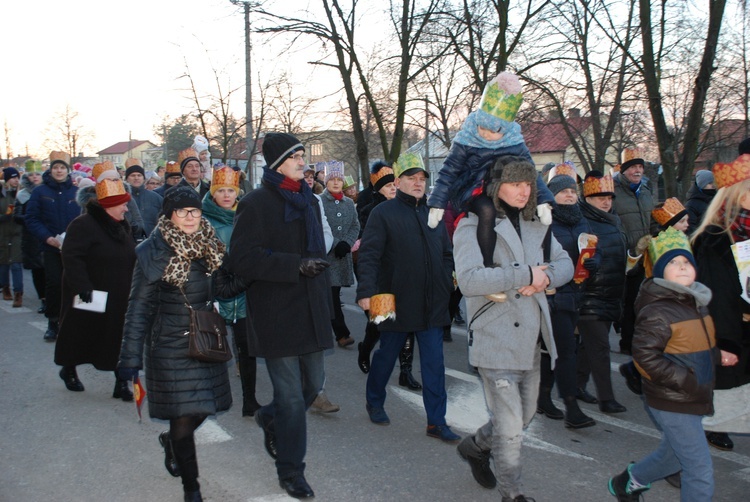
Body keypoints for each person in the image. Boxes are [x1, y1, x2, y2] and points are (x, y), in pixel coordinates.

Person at [453, 155, 573, 501]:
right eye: (516, 184)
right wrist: (526, 275)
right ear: (496, 186)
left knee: (523, 416)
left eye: (528, 184)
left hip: (532, 336)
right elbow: (469, 280)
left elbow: (565, 263)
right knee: (510, 428)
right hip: (494, 334)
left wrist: (546, 276)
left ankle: (476, 447)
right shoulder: (472, 225)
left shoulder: (539, 222)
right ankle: (513, 494)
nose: (524, 191)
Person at [224, 132, 333, 499]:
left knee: (312, 384)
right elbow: (242, 259)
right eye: (296, 156)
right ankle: (291, 471)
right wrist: (295, 266)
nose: (303, 161)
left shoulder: (309, 200)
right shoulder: (255, 203)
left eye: (303, 155)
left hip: (312, 308)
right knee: (290, 398)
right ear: (277, 163)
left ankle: (269, 418)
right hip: (275, 311)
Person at [118, 185, 230, 502]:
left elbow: (223, 288)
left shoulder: (211, 244)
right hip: (169, 345)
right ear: (169, 216)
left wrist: (253, 273)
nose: (191, 217)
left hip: (206, 338)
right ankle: (191, 488)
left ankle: (170, 442)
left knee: (205, 408)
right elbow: (138, 308)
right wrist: (129, 358)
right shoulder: (151, 252)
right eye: (182, 211)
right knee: (183, 418)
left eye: (195, 210)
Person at [608, 227, 719, 502]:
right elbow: (645, 358)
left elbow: (694, 343)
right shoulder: (658, 309)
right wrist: (684, 378)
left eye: (686, 262)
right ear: (659, 272)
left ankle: (629, 482)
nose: (681, 267)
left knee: (673, 456)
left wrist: (717, 357)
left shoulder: (696, 301)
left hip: (694, 393)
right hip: (672, 398)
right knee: (699, 468)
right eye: (672, 263)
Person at [356, 152, 460, 442]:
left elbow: (446, 253)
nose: (418, 183)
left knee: (434, 364)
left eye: (422, 178)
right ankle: (374, 400)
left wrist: (445, 277)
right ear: (398, 181)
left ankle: (436, 422)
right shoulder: (382, 213)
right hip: (391, 300)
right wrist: (366, 292)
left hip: (431, 301)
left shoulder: (433, 213)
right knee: (386, 354)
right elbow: (369, 256)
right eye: (411, 178)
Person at [426, 72, 554, 268]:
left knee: (541, 212)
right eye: (482, 128)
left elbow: (530, 172)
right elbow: (449, 171)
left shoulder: (514, 142)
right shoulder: (466, 140)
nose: (484, 135)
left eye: (492, 131)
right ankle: (487, 264)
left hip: (502, 189)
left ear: (504, 130)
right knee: (487, 210)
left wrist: (544, 199)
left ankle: (546, 261)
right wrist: (438, 202)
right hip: (471, 190)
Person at [54, 171, 136, 398]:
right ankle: (68, 369)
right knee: (80, 333)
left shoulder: (122, 224)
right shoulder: (83, 224)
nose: (127, 209)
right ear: (110, 205)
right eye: (123, 205)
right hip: (89, 292)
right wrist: (82, 287)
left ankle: (121, 382)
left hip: (119, 293)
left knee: (118, 337)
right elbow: (71, 257)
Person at [691, 153, 750, 452]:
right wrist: (726, 343)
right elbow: (719, 297)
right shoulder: (717, 236)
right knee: (713, 417)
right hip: (736, 335)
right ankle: (665, 464)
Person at [537, 165, 596, 429]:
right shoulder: (545, 221)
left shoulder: (582, 219)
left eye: (573, 191)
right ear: (553, 195)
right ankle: (572, 407)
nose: (570, 195)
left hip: (577, 291)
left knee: (554, 350)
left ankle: (542, 396)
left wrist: (595, 262)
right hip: (553, 293)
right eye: (564, 192)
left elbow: (592, 248)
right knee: (565, 350)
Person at [355, 161, 422, 391]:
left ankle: (405, 371)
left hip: (404, 280)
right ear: (378, 189)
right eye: (386, 186)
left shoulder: (411, 208)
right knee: (380, 323)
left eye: (392, 184)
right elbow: (369, 249)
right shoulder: (369, 211)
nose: (392, 189)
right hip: (381, 279)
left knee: (407, 326)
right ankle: (365, 349)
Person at [202, 166, 262, 418]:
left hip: (243, 291)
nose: (227, 195)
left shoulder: (247, 216)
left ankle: (250, 400)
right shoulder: (202, 220)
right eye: (221, 191)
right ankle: (207, 398)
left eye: (231, 190)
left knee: (247, 349)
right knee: (211, 349)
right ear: (213, 193)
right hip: (214, 293)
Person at [576, 171, 628, 413]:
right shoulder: (582, 222)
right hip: (591, 295)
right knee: (600, 348)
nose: (606, 202)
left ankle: (576, 385)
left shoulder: (613, 219)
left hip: (611, 291)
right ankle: (606, 399)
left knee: (589, 347)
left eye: (609, 197)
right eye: (599, 198)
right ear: (587, 198)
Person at [25, 151, 80, 341]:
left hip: (74, 248)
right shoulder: (40, 192)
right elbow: (31, 219)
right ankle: (53, 321)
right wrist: (46, 237)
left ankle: (77, 321)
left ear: (68, 170)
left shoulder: (75, 191)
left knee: (77, 284)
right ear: (51, 169)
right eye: (56, 167)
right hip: (51, 247)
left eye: (62, 167)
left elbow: (84, 218)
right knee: (55, 284)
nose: (59, 171)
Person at [612, 150, 657, 355]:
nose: (637, 171)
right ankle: (625, 339)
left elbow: (653, 218)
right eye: (632, 167)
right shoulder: (614, 190)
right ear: (624, 170)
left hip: (646, 255)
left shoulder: (646, 190)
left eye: (640, 167)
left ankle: (637, 341)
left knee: (642, 299)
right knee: (625, 300)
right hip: (624, 255)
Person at [320, 163, 360, 348]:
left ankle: (330, 331)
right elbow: (319, 226)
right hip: (326, 256)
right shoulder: (318, 201)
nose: (336, 183)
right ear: (327, 182)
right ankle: (341, 334)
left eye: (339, 180)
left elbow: (355, 226)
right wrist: (336, 243)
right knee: (331, 296)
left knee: (332, 295)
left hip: (342, 256)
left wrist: (348, 243)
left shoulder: (349, 203)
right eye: (332, 179)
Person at [13, 160, 46, 312]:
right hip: (31, 237)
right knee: (37, 270)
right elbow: (16, 217)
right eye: (31, 175)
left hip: (48, 235)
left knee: (51, 270)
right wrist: (32, 218)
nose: (35, 177)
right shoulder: (22, 195)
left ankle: (53, 299)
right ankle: (43, 300)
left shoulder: (48, 191)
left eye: (37, 174)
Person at [1, 167, 23, 307]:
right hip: (2, 233)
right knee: (3, 263)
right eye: (12, 177)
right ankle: (5, 288)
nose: (15, 180)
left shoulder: (21, 193)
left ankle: (18, 294)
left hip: (17, 233)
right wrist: (4, 216)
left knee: (16, 263)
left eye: (17, 177)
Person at [124, 158, 163, 237]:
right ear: (127, 179)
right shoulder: (122, 199)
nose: (136, 178)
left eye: (139, 175)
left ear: (144, 178)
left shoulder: (156, 198)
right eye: (133, 175)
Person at [685, 170, 716, 234]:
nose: (713, 185)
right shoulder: (691, 204)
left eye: (714, 182)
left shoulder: (716, 198)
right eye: (710, 183)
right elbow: (690, 227)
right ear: (702, 184)